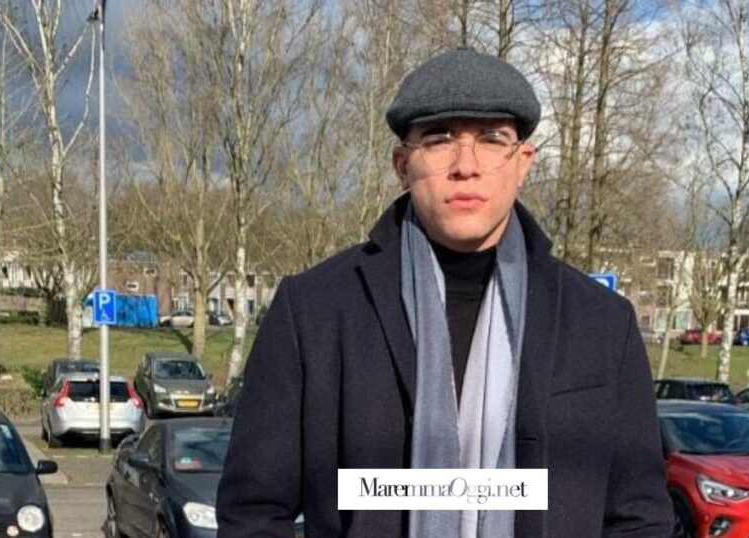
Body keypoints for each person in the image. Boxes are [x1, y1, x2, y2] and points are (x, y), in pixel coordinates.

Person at [217, 47, 672, 538]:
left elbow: (639, 518)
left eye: (492, 139)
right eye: (438, 139)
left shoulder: (602, 323)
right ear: (402, 165)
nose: (465, 165)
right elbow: (253, 512)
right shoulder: (313, 312)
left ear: (523, 162)